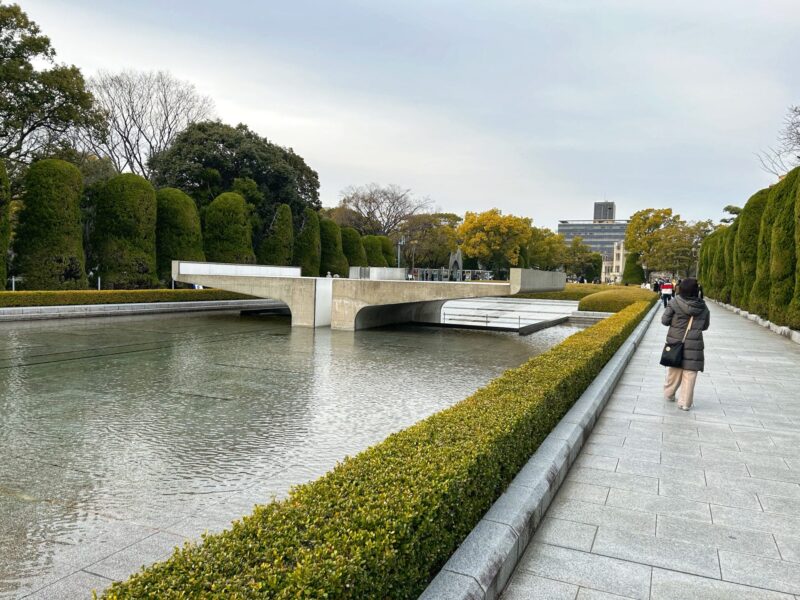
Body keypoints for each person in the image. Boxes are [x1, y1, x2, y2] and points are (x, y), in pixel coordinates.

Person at [661, 278, 710, 411]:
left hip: (676, 341)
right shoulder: (703, 306)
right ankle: (685, 403)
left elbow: (665, 321)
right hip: (694, 343)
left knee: (675, 368)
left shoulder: (674, 302)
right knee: (690, 372)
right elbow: (705, 326)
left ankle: (669, 393)